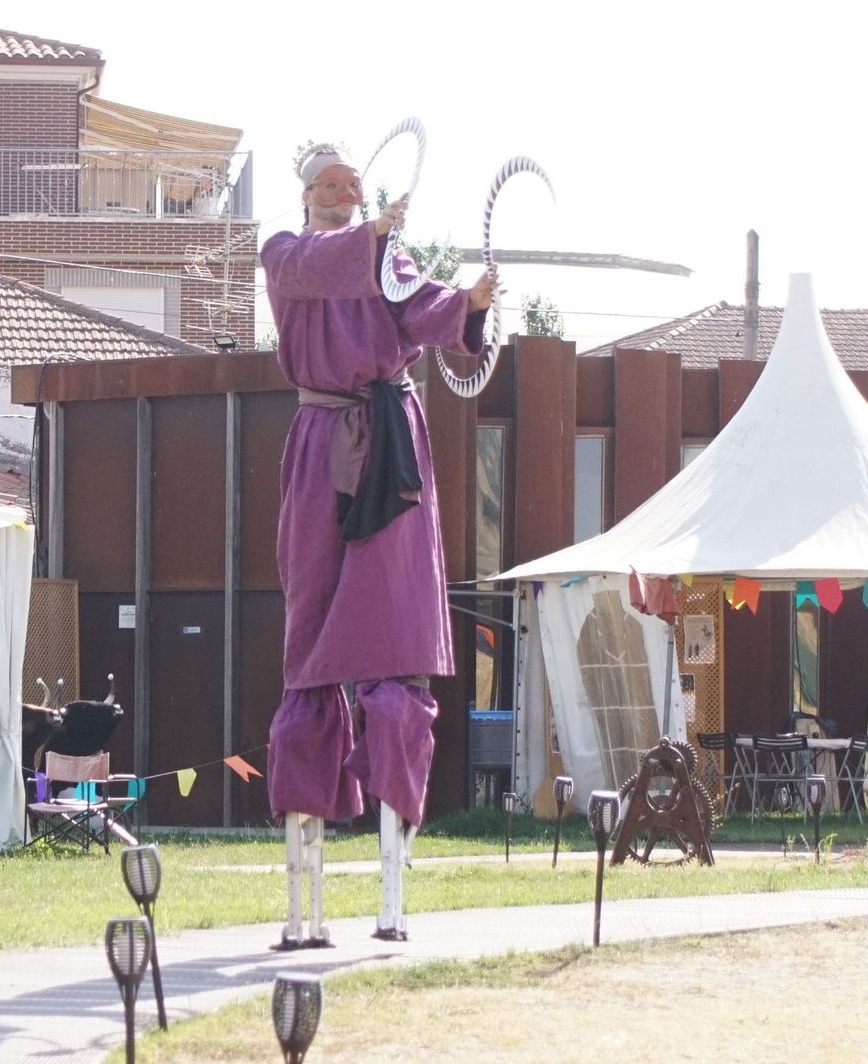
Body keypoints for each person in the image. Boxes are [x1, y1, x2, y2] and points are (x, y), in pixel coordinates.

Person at [260, 144, 497, 945]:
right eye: (329, 185)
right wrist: (373, 242)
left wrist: (469, 303)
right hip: (323, 453)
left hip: (393, 451)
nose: (342, 194)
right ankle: (306, 914)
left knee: (396, 658)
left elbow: (424, 311)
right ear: (307, 196)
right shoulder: (287, 255)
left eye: (352, 187)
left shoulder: (383, 256)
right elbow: (324, 270)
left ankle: (390, 906)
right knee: (311, 653)